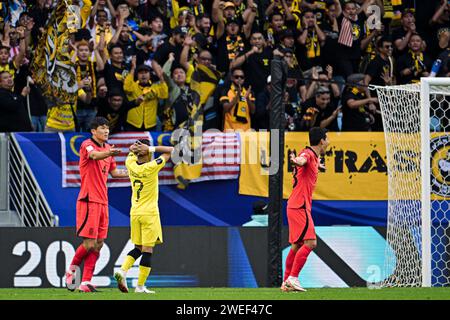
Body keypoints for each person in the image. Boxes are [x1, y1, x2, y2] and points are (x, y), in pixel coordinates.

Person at [65, 117, 129, 293]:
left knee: (99, 243)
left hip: (103, 201)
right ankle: (70, 271)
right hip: (88, 200)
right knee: (89, 243)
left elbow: (115, 172)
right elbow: (94, 155)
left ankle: (85, 282)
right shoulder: (87, 144)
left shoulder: (108, 148)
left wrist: (136, 172)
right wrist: (109, 154)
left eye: (108, 128)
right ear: (94, 131)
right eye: (102, 128)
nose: (106, 131)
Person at [114, 139, 173, 294]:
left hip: (135, 212)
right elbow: (171, 151)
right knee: (147, 250)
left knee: (137, 248)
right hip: (150, 213)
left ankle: (123, 270)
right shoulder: (152, 166)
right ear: (147, 152)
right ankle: (140, 286)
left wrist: (134, 149)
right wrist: (151, 148)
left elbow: (131, 152)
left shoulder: (130, 163)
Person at [281, 127, 329, 292]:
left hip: (295, 205)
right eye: (327, 138)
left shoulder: (314, 157)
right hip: (300, 205)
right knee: (311, 242)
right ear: (322, 140)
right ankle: (293, 278)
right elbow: (302, 160)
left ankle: (286, 281)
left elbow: (307, 163)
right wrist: (297, 160)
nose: (328, 142)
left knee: (296, 245)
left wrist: (318, 167)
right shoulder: (307, 154)